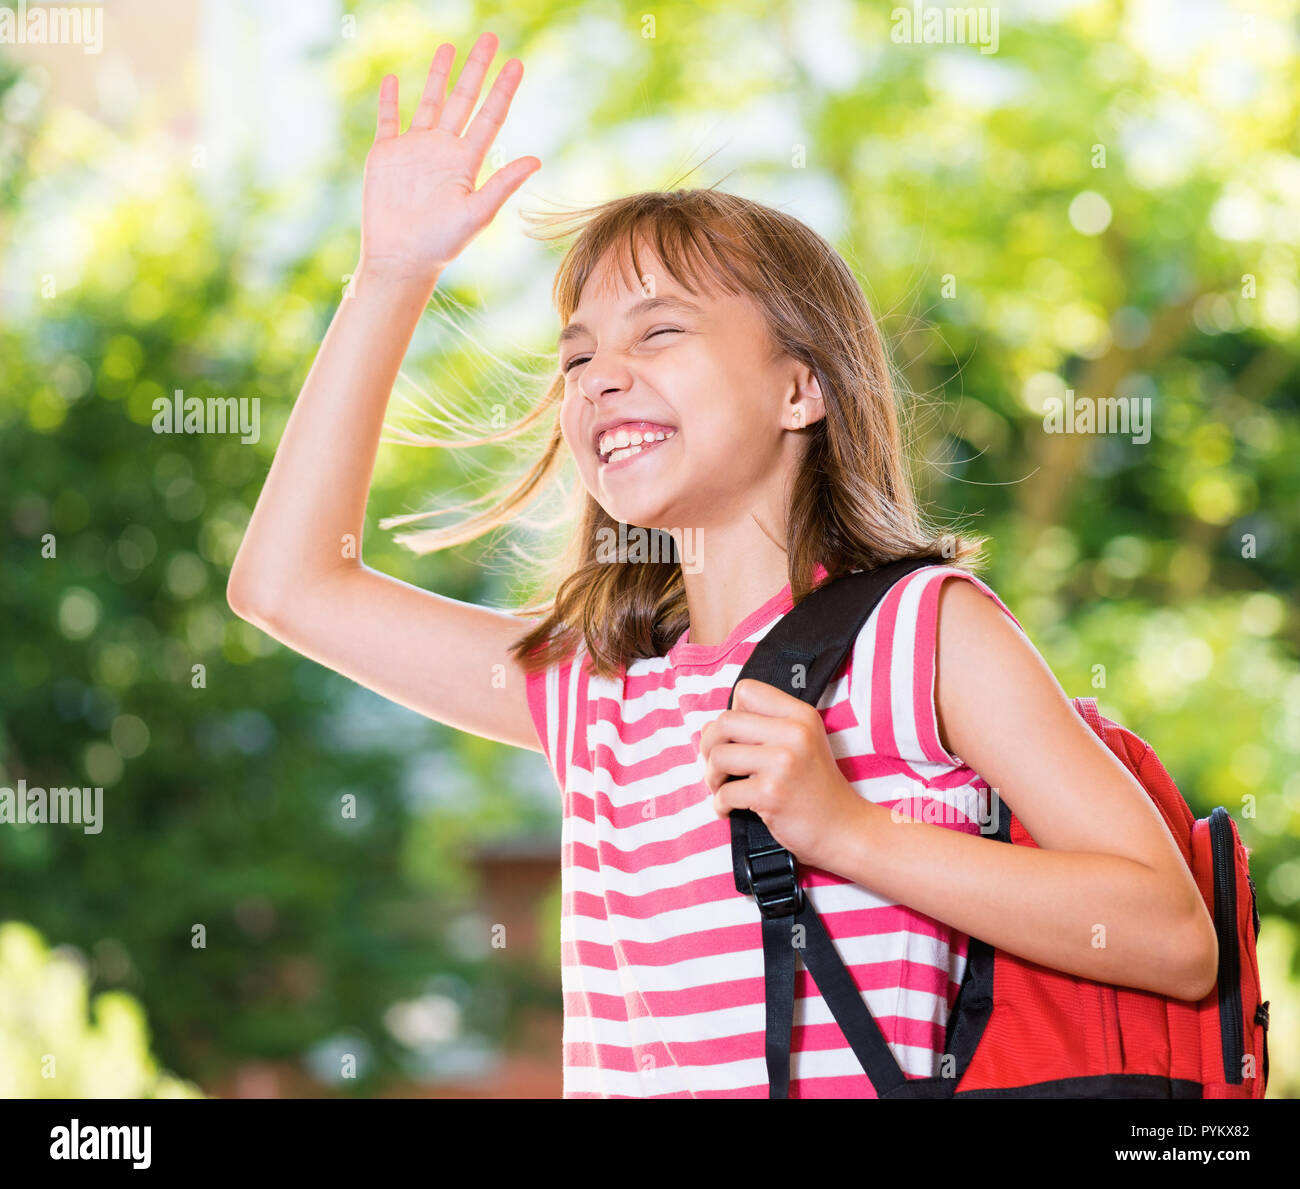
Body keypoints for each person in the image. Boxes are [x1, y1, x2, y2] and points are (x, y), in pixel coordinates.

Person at [227, 31, 1219, 1099]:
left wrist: (845, 831)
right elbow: (288, 586)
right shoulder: (599, 695)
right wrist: (391, 273)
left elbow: (1169, 935)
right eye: (577, 355)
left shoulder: (920, 634)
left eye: (659, 332)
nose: (601, 375)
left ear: (803, 390)